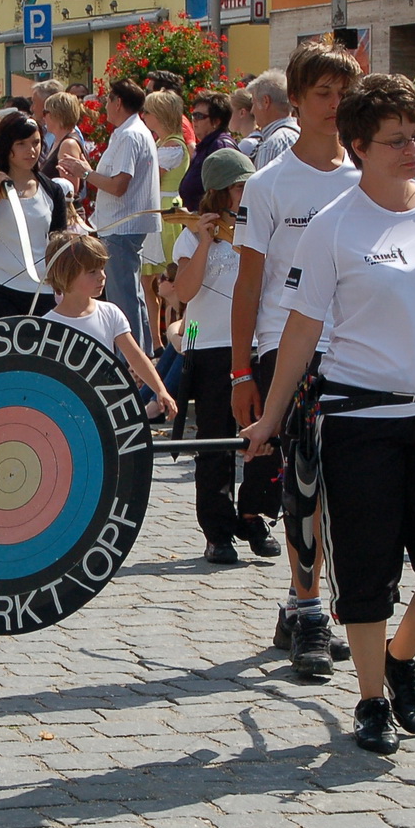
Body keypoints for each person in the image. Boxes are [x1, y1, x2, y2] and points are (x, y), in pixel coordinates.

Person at [241, 72, 415, 756]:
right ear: (359, 146)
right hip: (360, 420)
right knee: (367, 567)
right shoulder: (333, 227)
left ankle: (400, 656)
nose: (412, 149)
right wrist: (269, 417)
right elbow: (301, 330)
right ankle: (370, 697)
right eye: (395, 140)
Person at [231, 40, 361, 674]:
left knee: (343, 486)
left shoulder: (368, 177)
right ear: (298, 101)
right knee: (304, 479)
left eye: (344, 94)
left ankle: (297, 601)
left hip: (356, 348)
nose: (334, 106)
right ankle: (310, 612)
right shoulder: (268, 184)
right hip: (285, 346)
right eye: (323, 94)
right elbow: (248, 283)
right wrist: (239, 372)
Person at [173, 149, 259, 563]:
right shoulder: (192, 235)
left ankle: (254, 515)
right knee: (214, 443)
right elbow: (184, 292)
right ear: (221, 192)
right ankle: (218, 531)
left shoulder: (257, 229)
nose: (246, 194)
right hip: (206, 344)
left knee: (262, 437)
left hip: (255, 343)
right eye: (240, 187)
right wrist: (206, 242)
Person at [58, 79, 159, 349]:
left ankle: (130, 361)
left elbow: (118, 185)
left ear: (118, 102)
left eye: (108, 100)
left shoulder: (129, 135)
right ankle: (142, 356)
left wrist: (84, 172)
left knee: (123, 298)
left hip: (121, 225)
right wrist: (86, 170)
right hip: (123, 224)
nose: (104, 106)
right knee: (131, 294)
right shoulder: (131, 131)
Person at [42, 230, 176, 423]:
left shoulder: (110, 313)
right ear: (66, 274)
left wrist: (160, 390)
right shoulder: (48, 325)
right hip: (65, 414)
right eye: (92, 272)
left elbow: (136, 357)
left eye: (102, 268)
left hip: (105, 410)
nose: (102, 276)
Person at [0, 113, 67, 320]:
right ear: (7, 145)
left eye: (36, 142)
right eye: (21, 144)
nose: (31, 150)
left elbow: (58, 245)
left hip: (41, 288)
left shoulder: (52, 190)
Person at [142, 89, 191, 342]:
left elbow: (149, 179)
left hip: (165, 210)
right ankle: (157, 339)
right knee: (150, 281)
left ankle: (177, 336)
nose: (144, 116)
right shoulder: (164, 143)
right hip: (160, 208)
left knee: (169, 279)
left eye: (148, 112)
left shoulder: (172, 145)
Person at [180, 92, 237, 213]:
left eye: (199, 116)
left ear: (216, 121)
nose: (194, 120)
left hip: (212, 219)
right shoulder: (206, 145)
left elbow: (225, 192)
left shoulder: (220, 147)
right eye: (193, 115)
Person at [247, 69, 299, 170]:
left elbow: (263, 181)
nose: (252, 111)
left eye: (253, 103)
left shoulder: (271, 146)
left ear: (266, 101)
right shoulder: (304, 136)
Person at [39, 92, 87, 189]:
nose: (43, 117)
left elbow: (72, 188)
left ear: (56, 114)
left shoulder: (68, 144)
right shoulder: (59, 140)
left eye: (45, 112)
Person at [229, 88, 257, 154]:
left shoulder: (247, 144)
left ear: (242, 113)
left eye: (230, 111)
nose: (226, 115)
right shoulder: (260, 136)